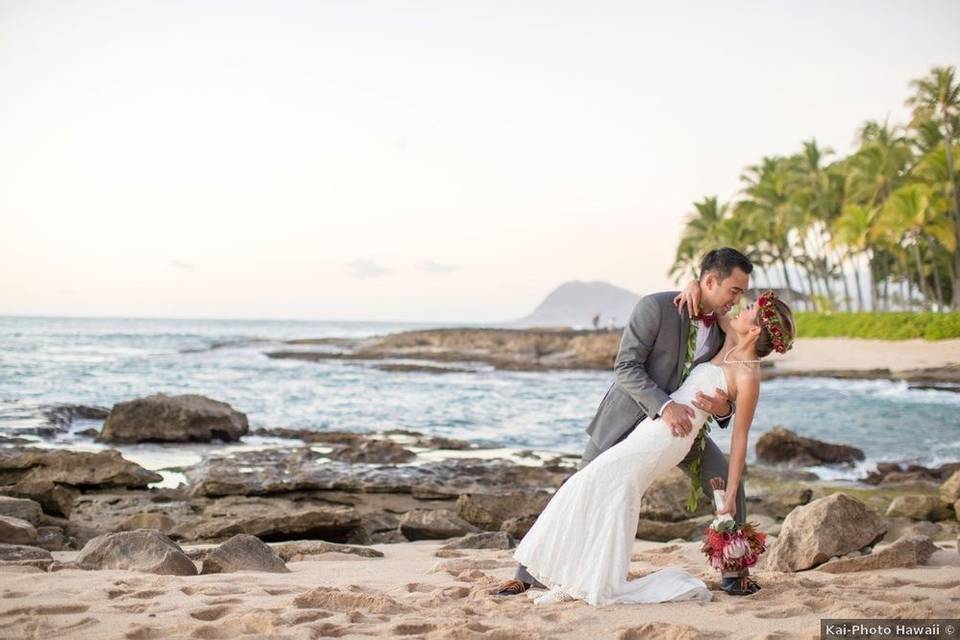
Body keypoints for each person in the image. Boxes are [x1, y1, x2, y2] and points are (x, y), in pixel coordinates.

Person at [496, 247, 756, 598]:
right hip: (633, 415)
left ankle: (734, 572)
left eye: (742, 293)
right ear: (710, 281)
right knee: (581, 483)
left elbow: (726, 383)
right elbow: (626, 368)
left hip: (684, 431)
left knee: (727, 482)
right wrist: (664, 406)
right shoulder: (656, 308)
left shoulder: (725, 325)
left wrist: (721, 409)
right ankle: (525, 576)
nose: (737, 300)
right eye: (734, 291)